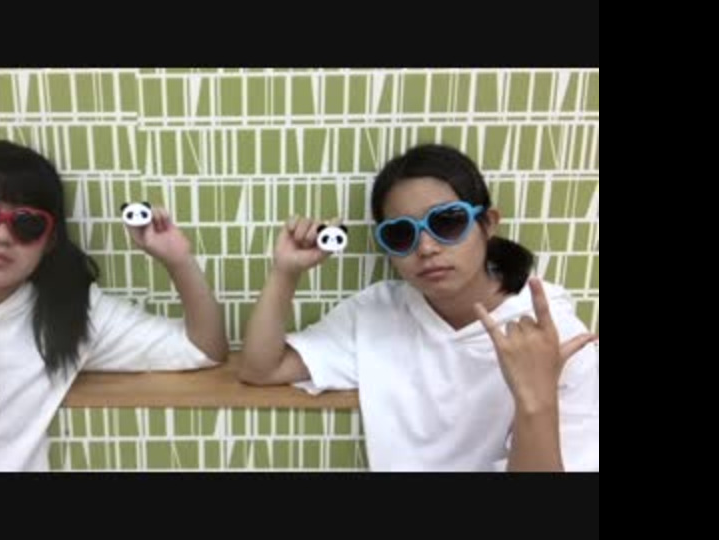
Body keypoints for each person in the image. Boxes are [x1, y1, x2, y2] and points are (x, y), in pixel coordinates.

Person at [238, 143, 598, 471]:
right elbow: (261, 368)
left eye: (447, 222)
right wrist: (285, 272)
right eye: (401, 234)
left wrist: (536, 401)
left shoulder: (551, 335)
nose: (426, 248)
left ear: (487, 224)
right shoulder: (378, 312)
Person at [0, 140, 228, 472]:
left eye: (27, 223)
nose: (1, 236)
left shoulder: (68, 312)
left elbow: (203, 349)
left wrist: (179, 261)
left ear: (50, 241)